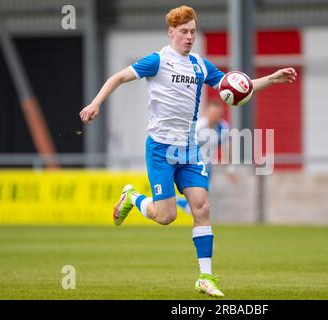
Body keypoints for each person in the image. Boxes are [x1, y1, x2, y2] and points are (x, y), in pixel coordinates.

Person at [79, 5, 296, 298]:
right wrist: (95, 103)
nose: (189, 37)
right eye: (184, 32)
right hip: (160, 149)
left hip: (189, 148)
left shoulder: (200, 65)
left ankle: (205, 277)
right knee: (166, 216)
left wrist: (271, 78)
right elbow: (118, 78)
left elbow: (237, 86)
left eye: (193, 31)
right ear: (171, 33)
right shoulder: (157, 61)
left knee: (202, 207)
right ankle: (132, 196)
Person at [196, 99, 236, 181]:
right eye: (213, 113)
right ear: (206, 112)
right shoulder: (197, 127)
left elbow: (227, 149)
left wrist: (229, 169)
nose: (215, 116)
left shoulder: (223, 128)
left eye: (218, 114)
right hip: (192, 165)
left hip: (208, 166)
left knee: (204, 191)